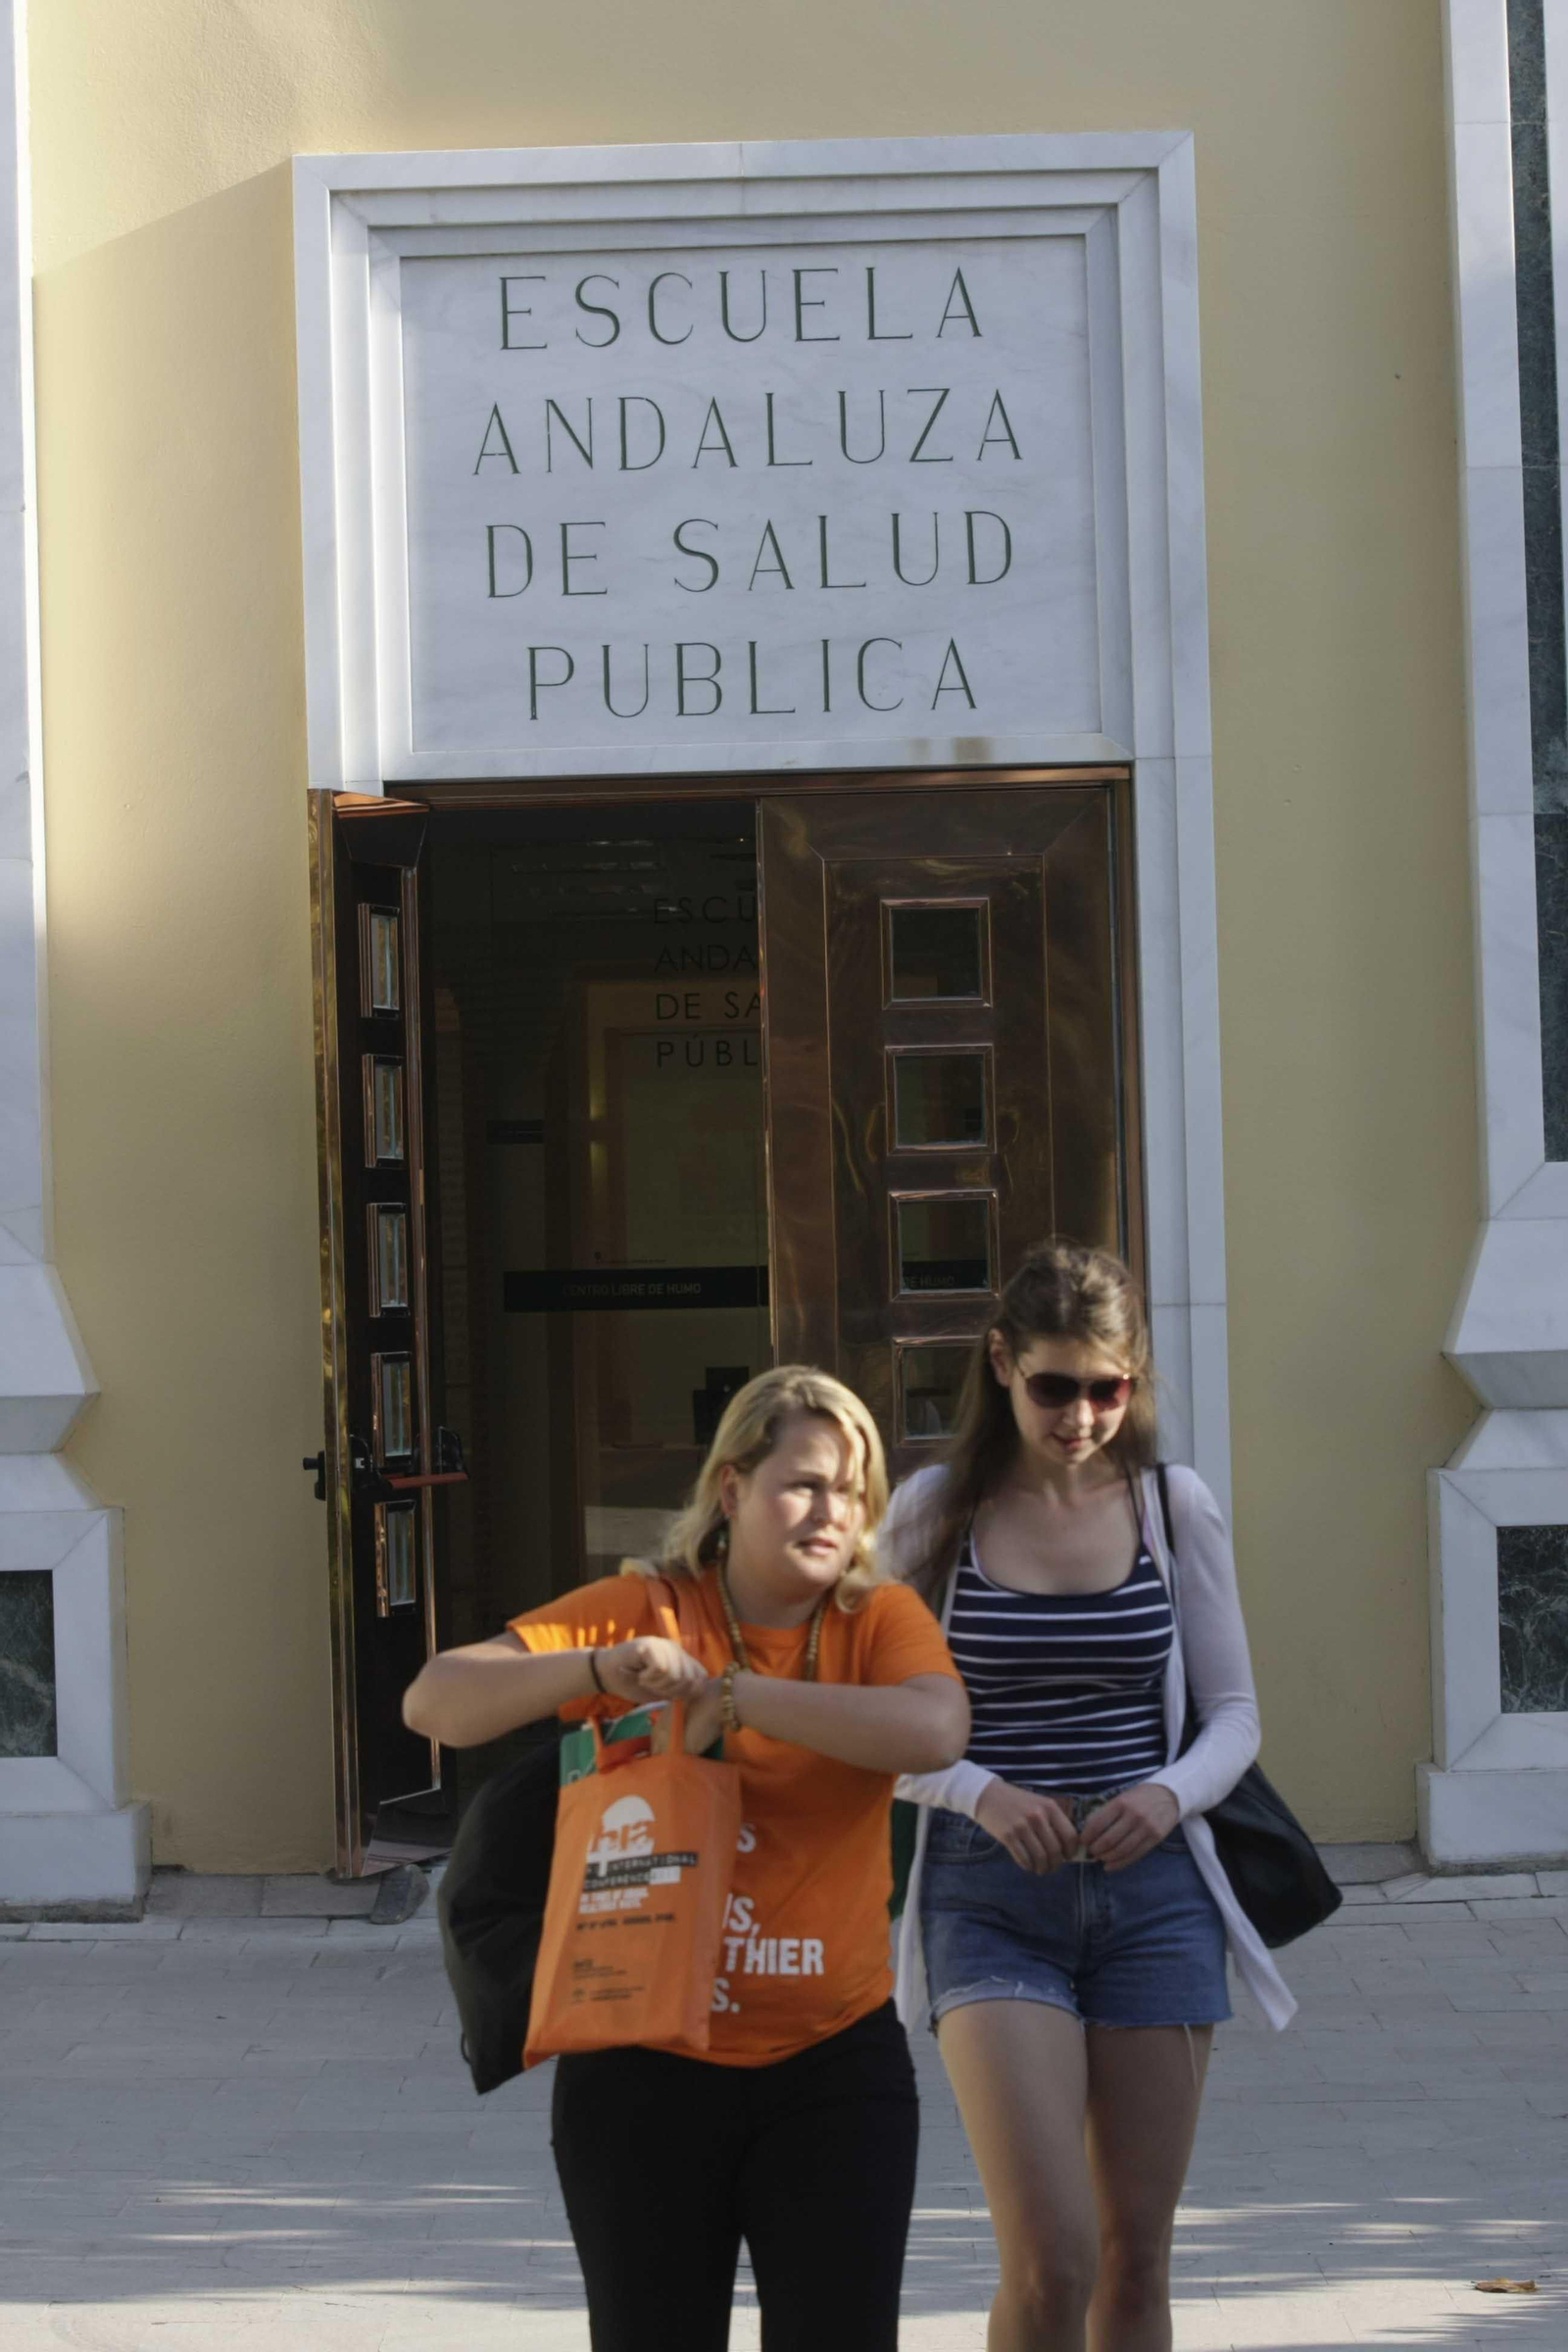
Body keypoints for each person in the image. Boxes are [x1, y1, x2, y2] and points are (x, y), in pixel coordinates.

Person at [404, 1364, 969, 2352]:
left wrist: (735, 1696)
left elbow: (935, 1731)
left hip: (832, 2063)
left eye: (851, 1488)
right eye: (803, 1483)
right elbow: (434, 1701)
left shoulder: (876, 1620)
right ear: (732, 1490)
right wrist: (594, 1670)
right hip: (642, 2070)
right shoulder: (646, 1608)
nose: (831, 1510)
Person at [882, 1241, 1295, 2352]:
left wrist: (1166, 1797)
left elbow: (1235, 1716)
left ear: (1135, 1376)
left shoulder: (1171, 1505)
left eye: (1104, 1388)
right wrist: (974, 1791)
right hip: (987, 1896)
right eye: (1053, 1387)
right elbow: (866, 1726)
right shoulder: (933, 1513)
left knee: (1135, 2260)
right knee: (1051, 2258)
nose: (1078, 1415)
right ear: (1001, 1364)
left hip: (1154, 1893)